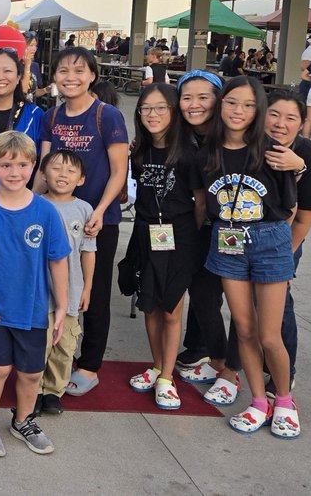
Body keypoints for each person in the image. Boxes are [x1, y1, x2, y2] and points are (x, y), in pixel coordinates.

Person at [196, 76, 299, 438]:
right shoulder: (207, 152)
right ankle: (258, 401)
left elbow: (290, 206)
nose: (238, 111)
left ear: (258, 110)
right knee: (243, 328)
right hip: (227, 241)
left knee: (269, 335)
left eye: (248, 105)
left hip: (269, 239)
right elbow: (202, 203)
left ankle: (283, 400)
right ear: (220, 105)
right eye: (231, 102)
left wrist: (277, 244)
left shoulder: (273, 151)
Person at [0, 131, 69, 458]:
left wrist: (62, 306)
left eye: (22, 165)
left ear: (34, 166)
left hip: (33, 308)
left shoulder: (46, 211)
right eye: (6, 165)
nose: (14, 172)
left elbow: (58, 260)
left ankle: (22, 420)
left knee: (32, 372)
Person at [37, 48, 129, 396]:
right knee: (55, 286)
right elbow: (44, 168)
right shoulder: (52, 116)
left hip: (95, 221)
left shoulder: (108, 116)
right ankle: (54, 356)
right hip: (55, 217)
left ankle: (89, 365)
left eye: (79, 70)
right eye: (63, 70)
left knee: (94, 292)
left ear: (92, 75)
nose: (70, 77)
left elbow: (119, 171)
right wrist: (29, 205)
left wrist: (100, 210)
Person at [123, 83, 205, 411]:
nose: (152, 114)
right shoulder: (140, 152)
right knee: (150, 305)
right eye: (145, 108)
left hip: (179, 237)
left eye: (160, 108)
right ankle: (157, 366)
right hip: (145, 234)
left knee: (171, 309)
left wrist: (190, 241)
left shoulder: (189, 153)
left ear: (173, 111)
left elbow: (200, 204)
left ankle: (168, 378)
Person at [261, 89, 311, 397]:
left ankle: (283, 375)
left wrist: (282, 260)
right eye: (274, 114)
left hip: (284, 240)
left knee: (278, 304)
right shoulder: (251, 146)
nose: (280, 124)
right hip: (245, 236)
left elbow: (303, 220)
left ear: (302, 124)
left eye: (290, 118)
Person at [169, 71, 232, 394]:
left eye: (203, 97)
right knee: (203, 293)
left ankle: (244, 368)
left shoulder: (235, 136)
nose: (194, 105)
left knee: (242, 304)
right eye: (187, 98)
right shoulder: (181, 136)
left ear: (219, 100)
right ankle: (205, 350)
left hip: (238, 231)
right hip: (197, 227)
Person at [36, 150, 95, 416]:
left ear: (81, 180)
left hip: (71, 291)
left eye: (71, 171)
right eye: (56, 168)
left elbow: (88, 252)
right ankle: (34, 389)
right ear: (43, 174)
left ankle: (53, 391)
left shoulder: (84, 210)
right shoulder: (34, 204)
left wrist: (87, 288)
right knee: (39, 343)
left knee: (65, 345)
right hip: (39, 291)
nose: (63, 174)